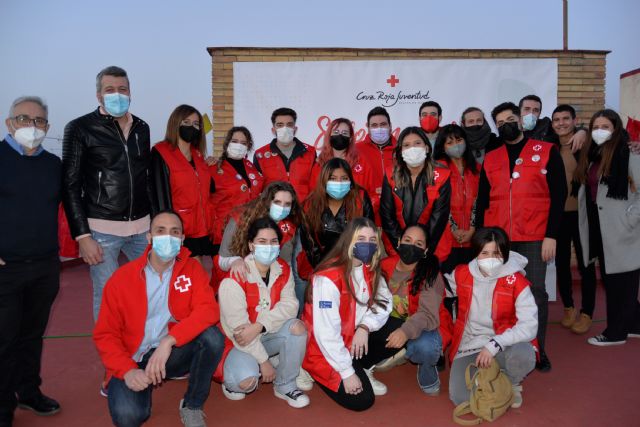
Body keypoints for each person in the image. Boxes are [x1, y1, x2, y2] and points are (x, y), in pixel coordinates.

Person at [93, 210, 225, 427]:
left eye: (175, 232)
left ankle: (192, 405)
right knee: (129, 417)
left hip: (169, 352)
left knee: (212, 338)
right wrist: (127, 370)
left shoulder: (191, 268)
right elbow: (105, 334)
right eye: (161, 231)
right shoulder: (122, 278)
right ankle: (134, 380)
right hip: (133, 358)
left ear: (182, 239)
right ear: (149, 237)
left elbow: (209, 310)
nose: (168, 237)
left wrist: (169, 340)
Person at [475, 102, 566, 372]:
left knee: (535, 294)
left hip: (536, 237)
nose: (507, 125)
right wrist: (482, 240)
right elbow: (482, 202)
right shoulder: (491, 158)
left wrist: (552, 235)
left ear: (521, 119)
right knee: (499, 294)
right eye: (500, 123)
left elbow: (559, 196)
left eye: (511, 118)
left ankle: (539, 349)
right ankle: (499, 345)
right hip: (500, 240)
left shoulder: (547, 150)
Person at [62, 66, 151, 321]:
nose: (117, 94)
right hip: (101, 231)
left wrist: (153, 224)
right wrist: (82, 236)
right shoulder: (80, 128)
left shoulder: (141, 128)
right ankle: (113, 358)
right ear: (99, 95)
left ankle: (146, 348)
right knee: (108, 294)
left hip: (142, 229)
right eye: (110, 90)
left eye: (122, 89)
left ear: (130, 92)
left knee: (149, 290)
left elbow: (145, 178)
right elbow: (70, 185)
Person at [0, 97, 61, 425]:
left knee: (32, 336)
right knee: (4, 340)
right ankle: (1, 405)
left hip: (44, 266)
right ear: (10, 123)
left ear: (47, 128)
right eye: (24, 118)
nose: (32, 126)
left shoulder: (53, 165)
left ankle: (29, 392)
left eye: (39, 121)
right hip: (5, 269)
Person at [302, 217, 400, 411]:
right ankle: (308, 369)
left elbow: (385, 303)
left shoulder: (369, 269)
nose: (368, 244)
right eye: (361, 238)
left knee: (398, 328)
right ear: (348, 241)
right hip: (324, 347)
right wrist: (347, 373)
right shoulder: (328, 278)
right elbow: (326, 333)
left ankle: (361, 366)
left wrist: (365, 327)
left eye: (372, 240)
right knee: (362, 401)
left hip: (353, 338)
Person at [216, 217, 310, 408]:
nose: (269, 247)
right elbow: (240, 333)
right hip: (238, 343)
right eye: (262, 242)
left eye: (274, 241)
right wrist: (263, 361)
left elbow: (290, 305)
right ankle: (232, 379)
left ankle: (285, 385)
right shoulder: (233, 279)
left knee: (298, 327)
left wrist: (259, 326)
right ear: (251, 245)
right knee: (245, 382)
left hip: (263, 333)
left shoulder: (283, 268)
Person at [446, 227, 537, 409]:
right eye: (484, 253)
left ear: (504, 253)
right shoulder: (462, 273)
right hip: (470, 343)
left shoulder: (517, 282)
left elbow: (529, 327)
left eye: (496, 253)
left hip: (504, 343)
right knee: (461, 399)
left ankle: (511, 382)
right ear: (476, 253)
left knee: (524, 355)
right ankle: (491, 375)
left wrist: (495, 344)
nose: (490, 259)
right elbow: (441, 290)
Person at [574, 109, 640, 346]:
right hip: (600, 227)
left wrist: (629, 219)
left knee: (621, 281)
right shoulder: (594, 154)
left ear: (616, 129)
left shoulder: (630, 154)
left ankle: (616, 333)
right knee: (617, 278)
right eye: (596, 127)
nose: (600, 131)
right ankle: (634, 325)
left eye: (606, 127)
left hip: (622, 229)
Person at [217, 182, 314, 309]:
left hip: (270, 283)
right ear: (267, 201)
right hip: (239, 277)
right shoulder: (240, 219)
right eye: (277, 202)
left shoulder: (289, 227)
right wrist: (235, 261)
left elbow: (285, 265)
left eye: (287, 204)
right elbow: (222, 260)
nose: (282, 208)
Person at [379, 225, 444, 396]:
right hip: (387, 323)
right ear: (399, 242)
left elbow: (427, 315)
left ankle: (427, 374)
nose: (411, 246)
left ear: (425, 250)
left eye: (419, 243)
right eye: (407, 240)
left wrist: (405, 332)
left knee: (426, 348)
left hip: (423, 326)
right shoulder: (383, 266)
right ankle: (395, 352)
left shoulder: (431, 274)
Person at [550, 105, 597, 334]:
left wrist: (584, 132)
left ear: (574, 120)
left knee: (586, 264)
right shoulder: (550, 147)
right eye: (556, 120)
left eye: (565, 119)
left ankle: (587, 312)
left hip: (583, 214)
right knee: (561, 263)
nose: (561, 123)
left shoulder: (585, 144)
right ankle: (568, 307)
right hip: (558, 215)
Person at [151, 105, 215, 262]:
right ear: (176, 123)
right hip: (178, 228)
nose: (191, 127)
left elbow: (208, 189)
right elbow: (158, 194)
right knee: (191, 276)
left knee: (195, 276)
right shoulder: (161, 152)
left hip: (201, 227)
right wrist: (164, 231)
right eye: (186, 122)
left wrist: (212, 168)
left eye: (196, 124)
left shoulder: (198, 155)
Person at [380, 126, 451, 261]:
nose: (412, 148)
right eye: (406, 145)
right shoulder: (390, 174)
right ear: (400, 151)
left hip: (431, 248)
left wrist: (421, 247)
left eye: (417, 143)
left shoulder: (442, 175)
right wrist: (403, 247)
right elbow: (387, 215)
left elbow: (439, 218)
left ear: (427, 147)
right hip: (397, 247)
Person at [304, 158, 375, 259]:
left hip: (355, 260)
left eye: (344, 178)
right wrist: (322, 267)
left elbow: (369, 233)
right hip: (322, 264)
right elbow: (309, 243)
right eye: (332, 178)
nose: (339, 183)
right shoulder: (310, 203)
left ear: (350, 181)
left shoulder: (360, 198)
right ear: (324, 180)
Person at [434, 124, 480, 274]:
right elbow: (437, 203)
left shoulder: (478, 169)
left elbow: (480, 201)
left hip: (474, 239)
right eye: (450, 142)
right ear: (443, 146)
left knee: (470, 286)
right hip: (446, 239)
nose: (456, 145)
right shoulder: (437, 170)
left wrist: (473, 228)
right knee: (448, 288)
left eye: (459, 140)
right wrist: (453, 228)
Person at [209, 126, 264, 247]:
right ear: (227, 143)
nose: (239, 145)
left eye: (243, 143)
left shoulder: (252, 167)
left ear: (248, 146)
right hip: (224, 232)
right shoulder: (213, 169)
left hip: (249, 231)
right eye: (234, 141)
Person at [253, 107, 315, 203]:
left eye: (289, 125)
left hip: (303, 213)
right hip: (272, 213)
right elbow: (256, 189)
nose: (285, 129)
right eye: (280, 125)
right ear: (273, 130)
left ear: (295, 129)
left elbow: (315, 186)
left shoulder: (310, 152)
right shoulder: (260, 155)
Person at [309, 117, 376, 198]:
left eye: (345, 133)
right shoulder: (320, 163)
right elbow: (313, 194)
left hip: (356, 209)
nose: (340, 135)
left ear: (350, 138)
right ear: (329, 136)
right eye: (336, 132)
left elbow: (372, 192)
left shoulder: (362, 162)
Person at [357, 106, 398, 225]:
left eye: (383, 124)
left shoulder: (402, 149)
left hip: (396, 217)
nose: (379, 128)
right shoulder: (355, 150)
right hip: (368, 217)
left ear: (390, 126)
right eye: (374, 125)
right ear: (368, 128)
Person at [519, 94, 586, 151]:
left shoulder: (545, 126)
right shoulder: (512, 129)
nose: (531, 113)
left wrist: (582, 132)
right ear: (519, 111)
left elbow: (566, 129)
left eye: (536, 110)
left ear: (539, 113)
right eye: (527, 109)